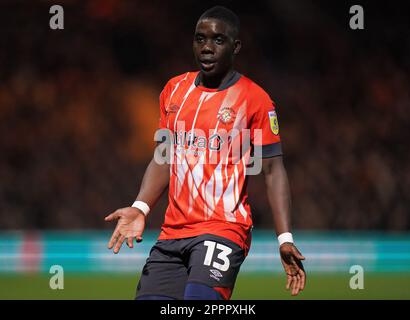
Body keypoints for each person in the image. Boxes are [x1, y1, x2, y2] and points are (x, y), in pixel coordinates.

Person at [105, 5, 306, 300]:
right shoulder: (174, 90)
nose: (207, 48)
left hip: (223, 228)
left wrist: (284, 238)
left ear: (235, 46)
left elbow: (273, 170)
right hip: (172, 233)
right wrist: (141, 207)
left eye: (218, 40)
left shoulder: (255, 99)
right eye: (200, 39)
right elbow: (164, 157)